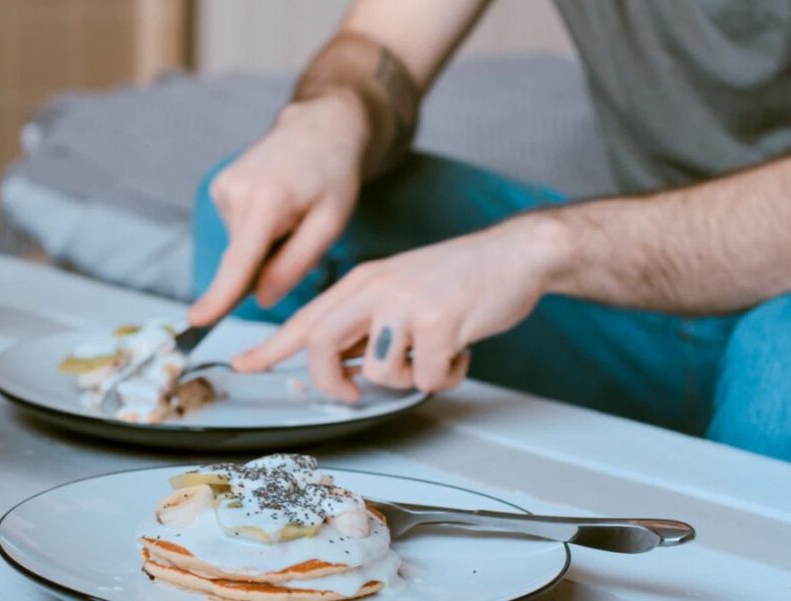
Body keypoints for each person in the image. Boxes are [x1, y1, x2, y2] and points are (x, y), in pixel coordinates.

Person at [188, 0, 791, 461]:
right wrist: (331, 116)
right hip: (637, 303)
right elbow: (380, 40)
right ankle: (281, 539)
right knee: (268, 214)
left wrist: (542, 250)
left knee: (776, 380)